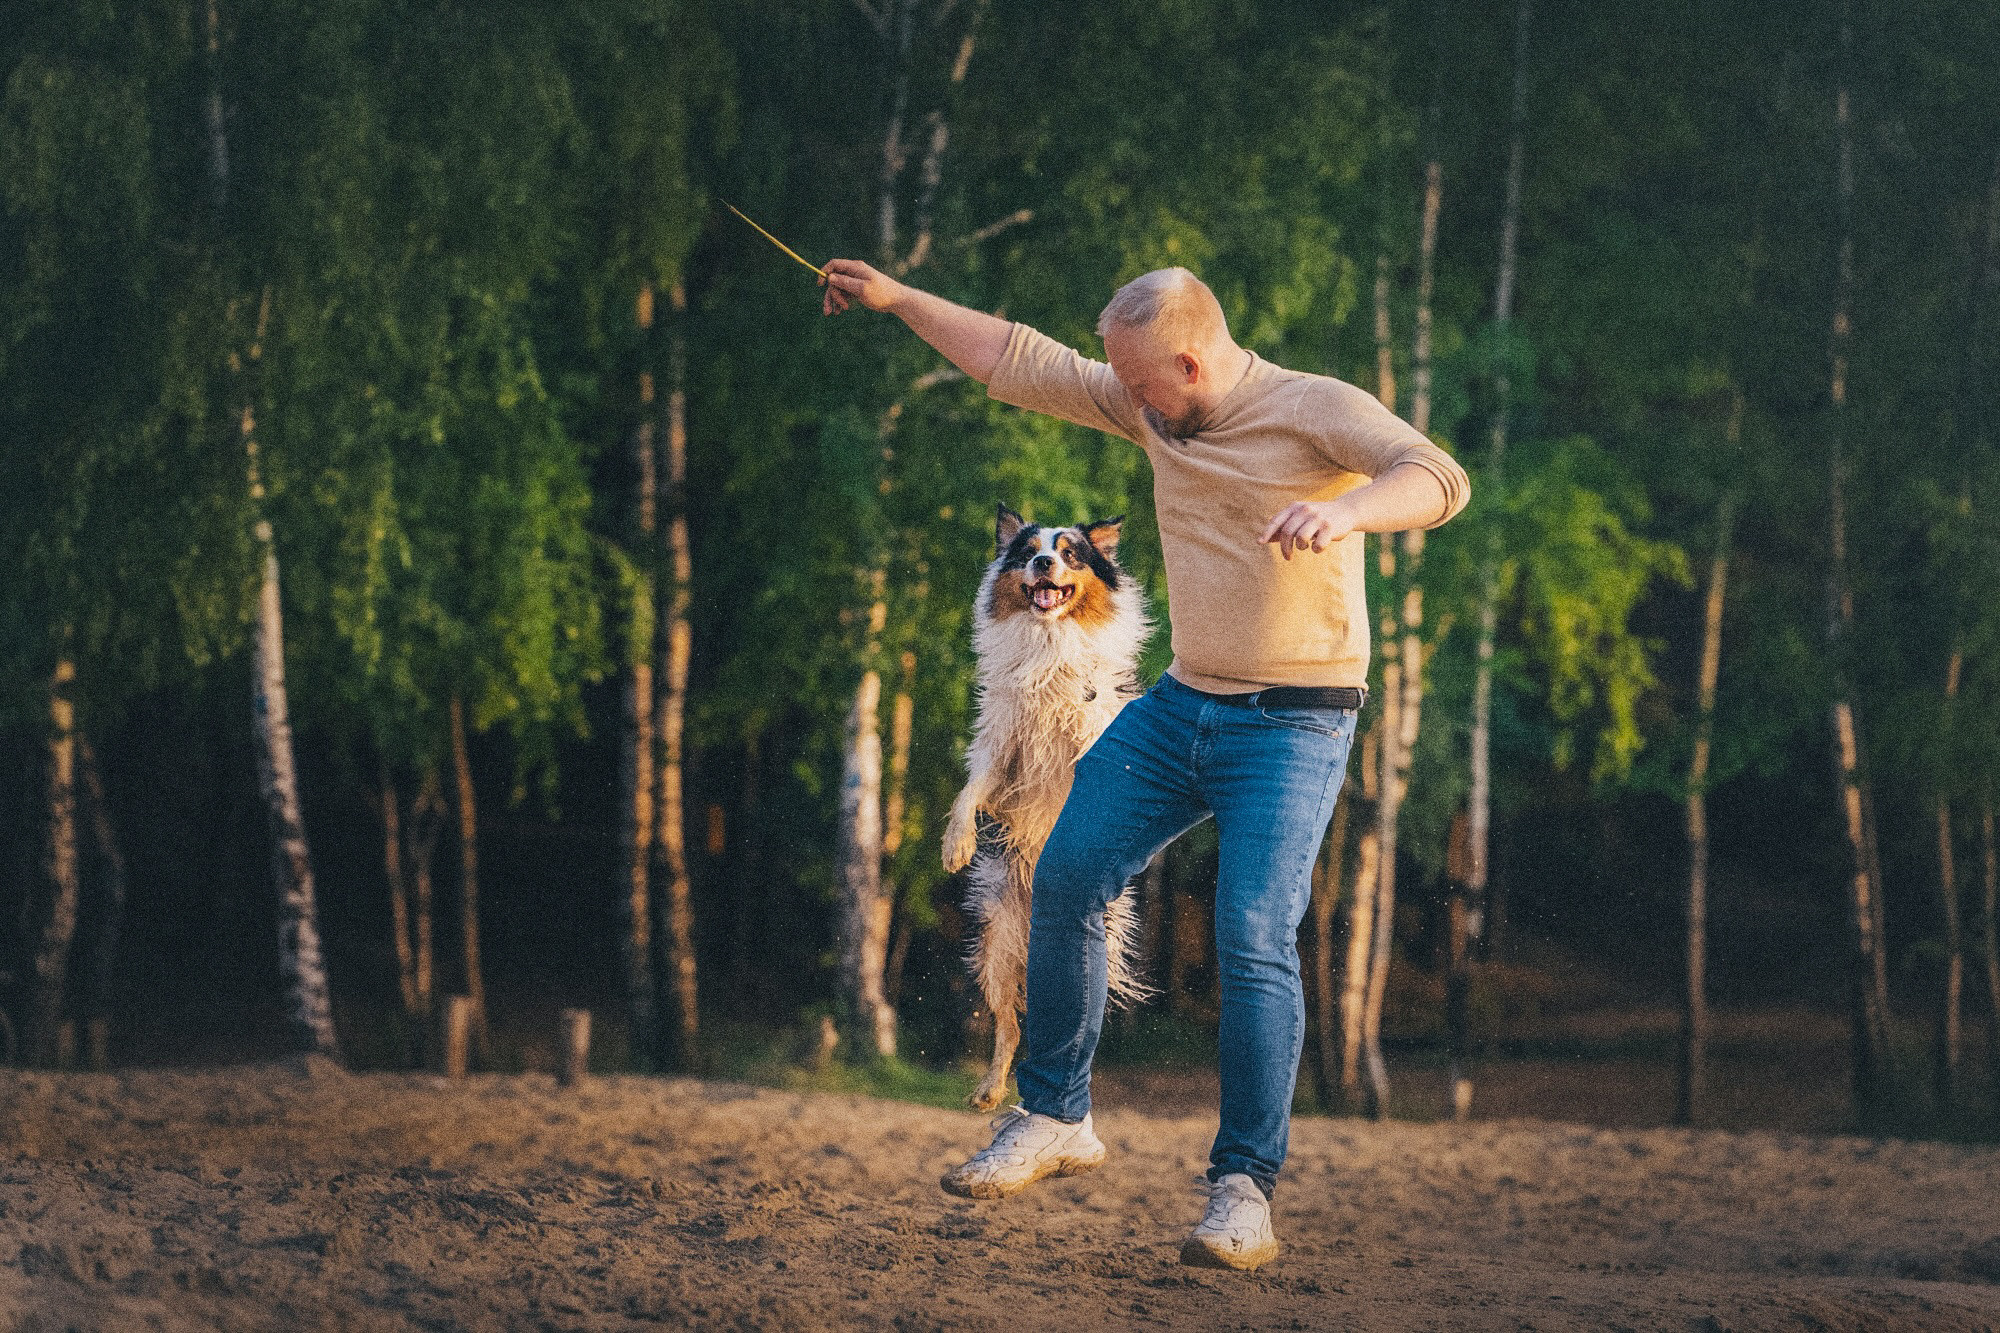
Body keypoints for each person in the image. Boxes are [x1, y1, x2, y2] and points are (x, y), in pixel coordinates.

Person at [820, 258, 1469, 1271]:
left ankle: (1241, 1190)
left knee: (1252, 931)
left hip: (1294, 724)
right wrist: (899, 300)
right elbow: (1018, 359)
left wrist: (1344, 512)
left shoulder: (1312, 409)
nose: (1120, 397)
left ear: (1186, 358)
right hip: (1179, 708)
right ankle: (1054, 1115)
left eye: (1133, 380)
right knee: (1068, 872)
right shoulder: (1156, 411)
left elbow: (1435, 477)